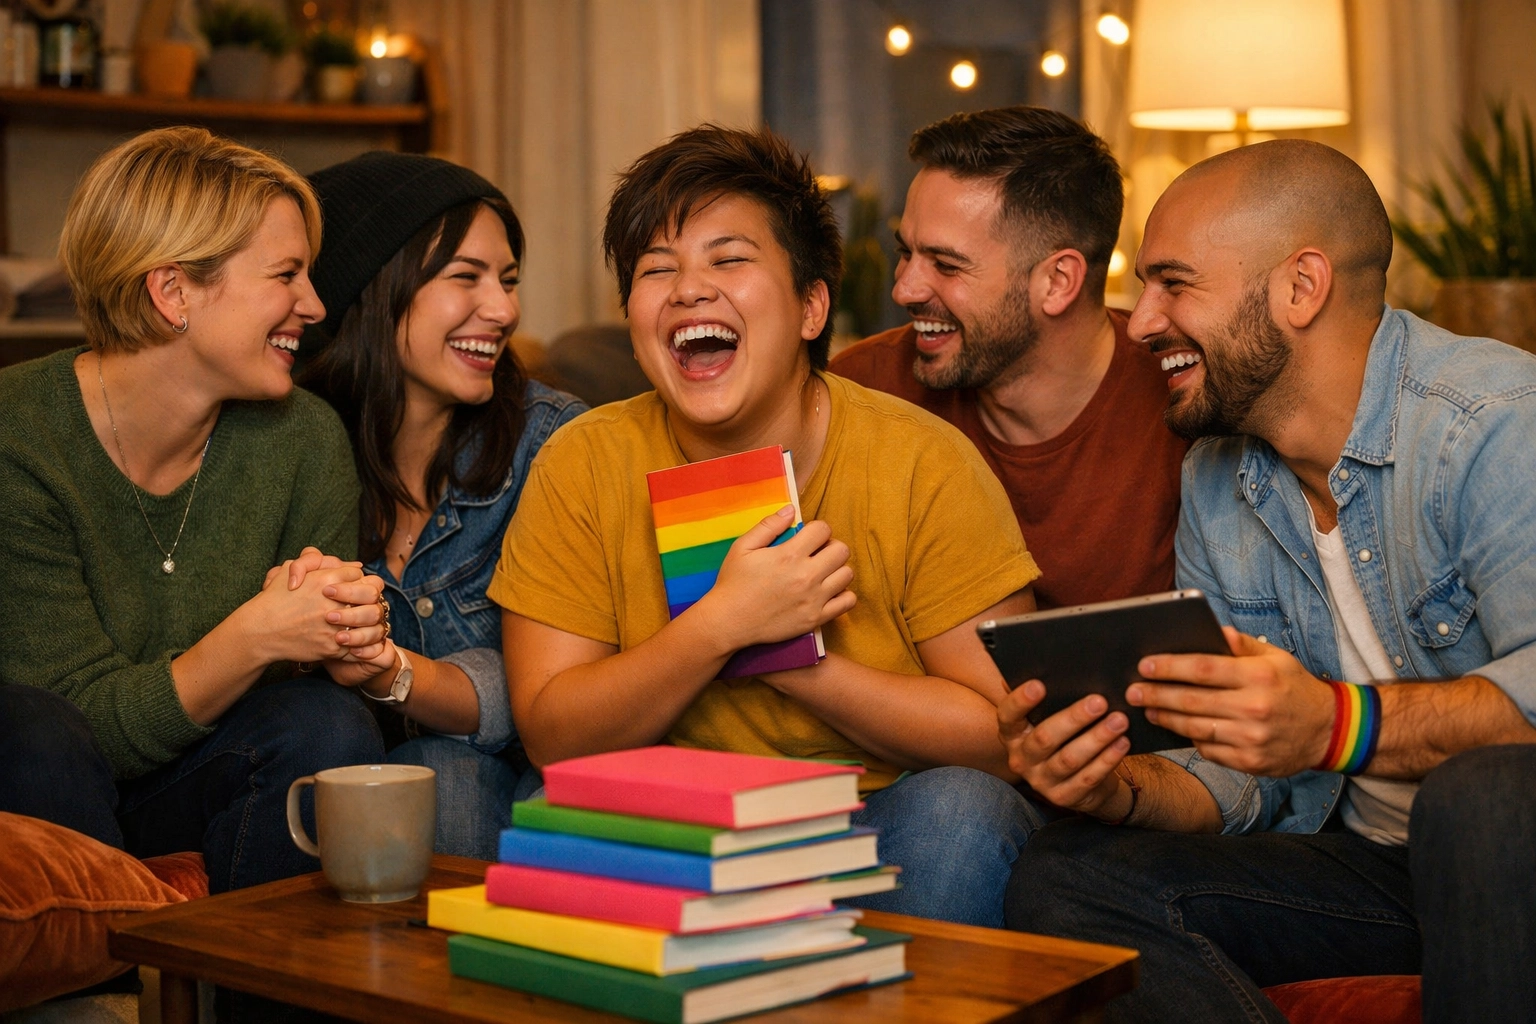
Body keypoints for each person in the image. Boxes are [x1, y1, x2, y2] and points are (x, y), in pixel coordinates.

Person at [1000, 139, 1536, 1022]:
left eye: (1175, 283)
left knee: (1483, 799)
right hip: (1373, 866)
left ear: (1301, 287)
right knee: (1067, 872)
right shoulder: (1217, 476)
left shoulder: (1489, 426)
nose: (1140, 322)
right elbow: (1239, 779)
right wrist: (1116, 788)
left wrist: (1335, 723)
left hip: (1506, 852)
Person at [491, 125, 1044, 927]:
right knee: (541, 798)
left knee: (964, 813)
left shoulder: (922, 461)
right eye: (657, 270)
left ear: (812, 305)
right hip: (672, 815)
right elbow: (552, 735)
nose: (688, 290)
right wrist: (718, 627)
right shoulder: (584, 461)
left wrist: (789, 658)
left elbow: (1003, 731)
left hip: (873, 821)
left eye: (729, 259)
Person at [0, 127, 390, 895]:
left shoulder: (302, 436)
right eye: (286, 275)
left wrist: (342, 627)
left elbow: (315, 672)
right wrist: (254, 635)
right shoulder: (19, 436)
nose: (313, 304)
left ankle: (263, 1000)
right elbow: (77, 729)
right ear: (173, 291)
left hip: (200, 773)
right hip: (46, 792)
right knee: (32, 729)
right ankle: (93, 998)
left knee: (325, 721)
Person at [297, 152, 587, 859]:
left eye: (510, 280)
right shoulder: (296, 450)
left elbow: (549, 687)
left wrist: (391, 671)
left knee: (449, 773)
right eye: (466, 277)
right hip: (368, 775)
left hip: (541, 770)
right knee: (432, 773)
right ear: (374, 287)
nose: (506, 309)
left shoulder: (552, 443)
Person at [830, 106, 1186, 608]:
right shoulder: (857, 393)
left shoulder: (1185, 401)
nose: (904, 288)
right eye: (905, 252)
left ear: (1058, 281)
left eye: (946, 264)